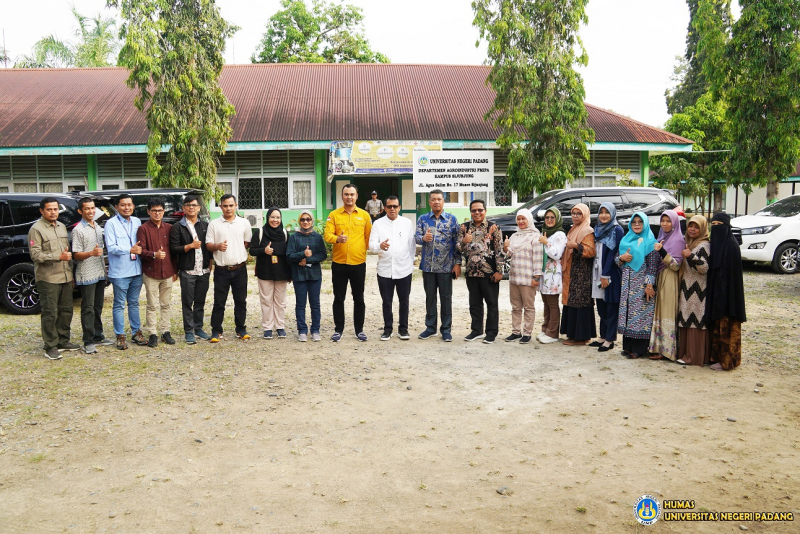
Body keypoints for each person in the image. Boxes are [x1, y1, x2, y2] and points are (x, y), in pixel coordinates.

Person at [28, 196, 78, 359]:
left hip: (65, 276)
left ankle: (63, 340)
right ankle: (50, 345)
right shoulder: (36, 229)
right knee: (50, 312)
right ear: (42, 211)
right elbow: (35, 255)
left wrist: (71, 274)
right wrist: (57, 256)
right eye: (49, 209)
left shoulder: (62, 227)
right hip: (48, 278)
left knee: (66, 311)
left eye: (55, 209)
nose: (53, 212)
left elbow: (67, 252)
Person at [323, 184, 372, 342]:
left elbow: (368, 237)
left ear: (357, 196)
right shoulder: (334, 215)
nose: (349, 197)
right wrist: (338, 238)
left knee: (359, 297)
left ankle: (359, 330)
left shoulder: (364, 216)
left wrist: (360, 251)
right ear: (342, 196)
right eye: (346, 194)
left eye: (352, 194)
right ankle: (338, 330)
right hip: (339, 263)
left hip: (358, 263)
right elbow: (327, 235)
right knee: (339, 298)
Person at [415, 189, 461, 342]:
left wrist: (457, 264)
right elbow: (416, 237)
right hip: (428, 267)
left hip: (446, 267)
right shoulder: (422, 219)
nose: (436, 202)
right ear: (429, 202)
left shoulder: (451, 220)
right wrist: (424, 238)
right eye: (433, 199)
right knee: (430, 298)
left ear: (443, 201)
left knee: (446, 298)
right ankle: (430, 327)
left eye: (439, 199)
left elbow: (457, 243)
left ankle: (446, 329)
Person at [206, 194, 253, 342]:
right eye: (225, 205)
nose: (228, 208)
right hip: (221, 270)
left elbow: (247, 242)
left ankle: (241, 329)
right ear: (220, 207)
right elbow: (208, 245)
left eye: (231, 205)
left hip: (240, 269)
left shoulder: (244, 223)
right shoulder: (214, 224)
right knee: (219, 301)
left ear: (236, 205)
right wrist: (217, 247)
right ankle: (216, 330)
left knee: (241, 301)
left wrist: (236, 251)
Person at [368, 195, 416, 341]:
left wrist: (410, 263)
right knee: (387, 301)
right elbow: (371, 245)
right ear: (385, 208)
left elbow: (411, 245)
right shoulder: (378, 224)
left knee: (404, 301)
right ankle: (387, 329)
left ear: (399, 207)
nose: (392, 209)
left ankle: (403, 329)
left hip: (404, 269)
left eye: (395, 206)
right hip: (385, 269)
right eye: (389, 206)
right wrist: (379, 246)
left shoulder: (407, 223)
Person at [458, 199, 505, 344]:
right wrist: (464, 242)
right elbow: (458, 248)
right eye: (474, 210)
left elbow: (500, 250)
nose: (477, 212)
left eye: (480, 210)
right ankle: (476, 330)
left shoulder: (494, 227)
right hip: (471, 272)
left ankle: (491, 332)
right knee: (474, 303)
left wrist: (500, 271)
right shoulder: (464, 228)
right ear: (470, 212)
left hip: (489, 273)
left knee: (492, 303)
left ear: (485, 211)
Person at [71, 197, 113, 354]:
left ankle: (98, 335)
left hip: (100, 272)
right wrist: (91, 253)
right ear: (80, 211)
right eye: (87, 209)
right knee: (88, 308)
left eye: (92, 208)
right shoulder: (78, 230)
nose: (90, 211)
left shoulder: (97, 226)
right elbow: (76, 254)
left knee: (98, 306)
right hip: (86, 274)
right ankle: (88, 340)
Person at [105, 193, 146, 350]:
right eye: (123, 205)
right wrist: (130, 249)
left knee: (134, 303)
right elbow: (112, 247)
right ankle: (120, 335)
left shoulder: (136, 221)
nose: (126, 207)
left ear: (133, 206)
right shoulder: (111, 224)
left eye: (129, 205)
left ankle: (136, 332)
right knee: (119, 304)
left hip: (136, 269)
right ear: (117, 207)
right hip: (121, 271)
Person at [616, 212, 660, 359]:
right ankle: (628, 347)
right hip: (627, 285)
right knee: (628, 314)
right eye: (634, 222)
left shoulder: (650, 242)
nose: (636, 225)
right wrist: (622, 258)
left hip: (642, 285)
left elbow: (652, 266)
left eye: (640, 222)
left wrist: (649, 285)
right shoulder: (625, 240)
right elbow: (617, 260)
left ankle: (639, 350)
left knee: (641, 316)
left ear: (645, 224)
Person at [169, 194, 212, 344]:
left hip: (204, 270)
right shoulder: (178, 227)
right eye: (188, 205)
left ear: (199, 208)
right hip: (188, 270)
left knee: (200, 301)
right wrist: (189, 246)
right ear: (184, 208)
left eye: (194, 205)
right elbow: (173, 249)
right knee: (187, 302)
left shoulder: (205, 225)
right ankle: (189, 331)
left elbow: (209, 247)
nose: (191, 208)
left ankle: (198, 328)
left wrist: (210, 264)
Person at [706, 213, 746, 371]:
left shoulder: (730, 246)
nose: (716, 228)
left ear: (727, 226)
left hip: (729, 297)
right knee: (718, 325)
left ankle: (727, 361)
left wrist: (722, 294)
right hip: (718, 295)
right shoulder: (718, 244)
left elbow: (730, 276)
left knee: (728, 327)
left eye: (719, 224)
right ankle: (718, 358)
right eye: (713, 224)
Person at [137, 197, 178, 347]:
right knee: (152, 305)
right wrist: (154, 254)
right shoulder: (143, 229)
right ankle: (152, 333)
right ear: (148, 211)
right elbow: (141, 251)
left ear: (164, 211)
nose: (157, 213)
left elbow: (173, 252)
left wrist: (175, 270)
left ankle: (165, 331)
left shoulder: (169, 227)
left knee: (166, 304)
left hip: (167, 271)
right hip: (151, 273)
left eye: (160, 210)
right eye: (154, 210)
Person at [502, 207, 543, 344]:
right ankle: (515, 332)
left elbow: (538, 258)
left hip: (528, 279)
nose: (520, 221)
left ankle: (527, 333)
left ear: (529, 220)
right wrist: (505, 247)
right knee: (515, 307)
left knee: (529, 307)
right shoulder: (515, 236)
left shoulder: (535, 236)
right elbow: (509, 254)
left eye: (523, 219)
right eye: (518, 219)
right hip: (514, 277)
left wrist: (536, 277)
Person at [648, 210, 685, 361]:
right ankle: (658, 347)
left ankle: (668, 351)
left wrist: (662, 251)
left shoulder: (678, 241)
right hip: (660, 278)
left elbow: (676, 266)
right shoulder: (662, 237)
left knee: (667, 312)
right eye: (662, 221)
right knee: (660, 312)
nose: (664, 224)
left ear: (675, 222)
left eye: (668, 221)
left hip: (670, 279)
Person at [287, 210, 327, 342]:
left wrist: (308, 260)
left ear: (312, 221)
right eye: (303, 219)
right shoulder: (294, 237)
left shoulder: (317, 236)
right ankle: (302, 330)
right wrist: (302, 254)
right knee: (300, 304)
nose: (305, 222)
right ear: (299, 221)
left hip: (314, 275)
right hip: (299, 275)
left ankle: (315, 330)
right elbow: (289, 255)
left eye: (308, 219)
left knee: (315, 304)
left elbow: (323, 254)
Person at [251, 207, 291, 339]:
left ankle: (280, 326)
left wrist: (290, 273)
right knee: (266, 301)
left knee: (280, 301)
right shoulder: (260, 232)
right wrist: (264, 250)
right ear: (267, 218)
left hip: (281, 272)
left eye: (278, 217)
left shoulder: (285, 233)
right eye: (272, 217)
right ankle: (267, 327)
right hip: (265, 271)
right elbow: (252, 250)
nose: (275, 220)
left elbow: (289, 253)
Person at [560, 203, 596, 346]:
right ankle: (580, 335)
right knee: (572, 302)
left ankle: (579, 338)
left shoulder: (587, 230)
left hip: (581, 273)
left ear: (585, 215)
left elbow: (591, 251)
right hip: (572, 271)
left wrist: (576, 246)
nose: (575, 216)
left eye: (578, 214)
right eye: (573, 213)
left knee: (580, 303)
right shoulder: (573, 229)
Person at [676, 215, 711, 366]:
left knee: (695, 320)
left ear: (703, 228)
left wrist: (691, 256)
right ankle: (685, 353)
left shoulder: (704, 246)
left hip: (698, 289)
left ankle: (693, 356)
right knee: (685, 317)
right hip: (687, 287)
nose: (692, 229)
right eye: (690, 226)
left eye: (696, 227)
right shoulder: (690, 243)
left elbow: (704, 268)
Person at [590, 203, 625, 352]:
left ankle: (610, 340)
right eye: (601, 212)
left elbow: (613, 254)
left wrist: (606, 274)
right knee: (601, 307)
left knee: (611, 307)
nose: (603, 215)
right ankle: (603, 336)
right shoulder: (597, 230)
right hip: (597, 272)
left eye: (607, 212)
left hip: (610, 273)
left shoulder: (617, 230)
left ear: (612, 214)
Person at [537, 208, 567, 344]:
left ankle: (553, 333)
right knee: (546, 303)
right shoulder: (546, 232)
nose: (549, 220)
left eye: (552, 218)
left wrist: (546, 243)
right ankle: (545, 329)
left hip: (553, 274)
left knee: (553, 304)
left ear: (557, 219)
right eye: (547, 217)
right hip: (545, 273)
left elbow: (557, 254)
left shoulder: (559, 234)